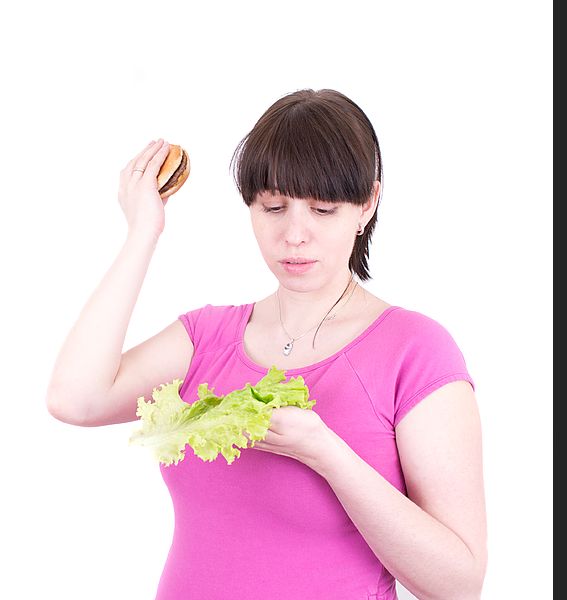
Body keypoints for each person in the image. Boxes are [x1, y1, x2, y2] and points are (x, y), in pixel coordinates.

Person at [46, 89, 487, 600]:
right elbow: (74, 399)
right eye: (273, 206)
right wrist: (144, 232)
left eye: (322, 209)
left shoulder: (415, 350)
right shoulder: (207, 338)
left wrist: (326, 453)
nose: (293, 234)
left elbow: (458, 585)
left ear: (367, 204)